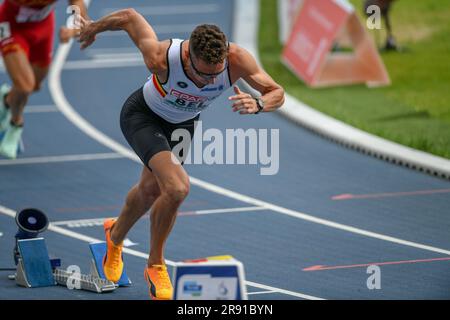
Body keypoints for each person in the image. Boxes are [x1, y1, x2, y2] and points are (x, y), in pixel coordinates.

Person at [79, 8, 285, 300]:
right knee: (177, 188)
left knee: (150, 190)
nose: (205, 82)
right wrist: (94, 27)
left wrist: (260, 103)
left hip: (183, 126)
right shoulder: (162, 57)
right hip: (143, 117)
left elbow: (277, 91)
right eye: (201, 74)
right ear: (188, 57)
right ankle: (156, 265)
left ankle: (114, 238)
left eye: (215, 75)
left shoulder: (236, 60)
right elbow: (129, 17)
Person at [0, 0, 89, 159]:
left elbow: (79, 11)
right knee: (24, 85)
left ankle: (6, 100)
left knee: (34, 85)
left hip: (43, 27)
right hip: (12, 27)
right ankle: (16, 124)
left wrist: (72, 29)